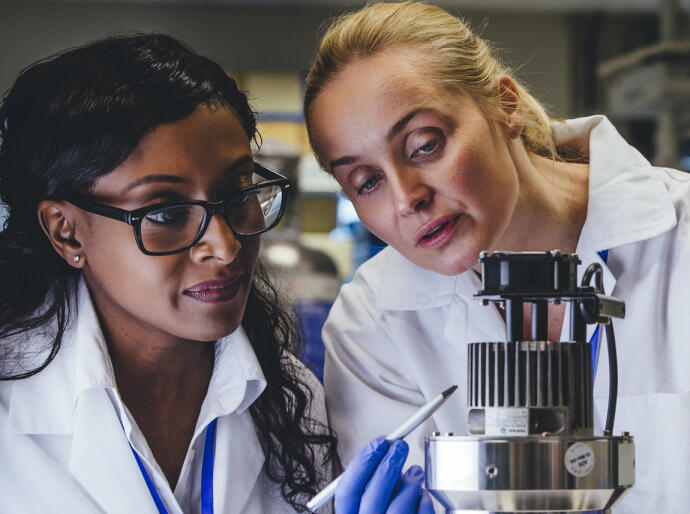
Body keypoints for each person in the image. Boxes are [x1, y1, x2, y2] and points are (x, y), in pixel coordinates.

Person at [304, 3, 690, 513]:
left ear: (506, 105)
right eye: (366, 180)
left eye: (425, 144)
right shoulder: (375, 320)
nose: (405, 198)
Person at [0, 34, 430, 513]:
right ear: (66, 232)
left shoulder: (290, 399)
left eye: (240, 193)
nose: (225, 247)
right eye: (165, 212)